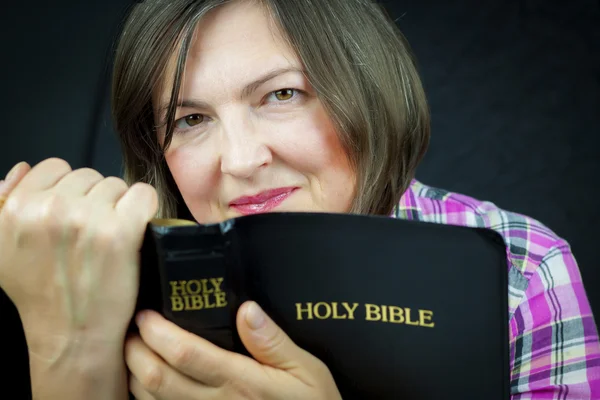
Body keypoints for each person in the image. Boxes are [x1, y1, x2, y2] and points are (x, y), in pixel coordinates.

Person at [0, 0, 598, 398]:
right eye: (189, 119)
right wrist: (68, 352)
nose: (238, 159)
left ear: (367, 91)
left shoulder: (522, 268)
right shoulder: (73, 273)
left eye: (282, 94)